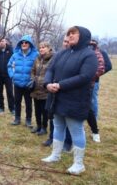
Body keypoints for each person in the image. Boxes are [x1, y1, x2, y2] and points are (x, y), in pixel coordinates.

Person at [41, 26, 98, 175]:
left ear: (84, 36)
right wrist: (47, 84)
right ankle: (55, 155)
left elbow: (85, 77)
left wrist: (60, 85)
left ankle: (79, 164)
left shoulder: (89, 55)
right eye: (69, 33)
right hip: (57, 97)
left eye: (74, 33)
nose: (70, 35)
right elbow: (50, 70)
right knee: (58, 126)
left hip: (76, 100)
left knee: (76, 130)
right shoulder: (62, 53)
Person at [43, 36, 69, 147]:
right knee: (52, 116)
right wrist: (48, 83)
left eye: (68, 41)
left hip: (68, 91)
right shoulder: (58, 55)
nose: (66, 43)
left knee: (68, 118)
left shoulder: (80, 56)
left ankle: (68, 142)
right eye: (64, 41)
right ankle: (51, 138)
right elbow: (50, 70)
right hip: (54, 91)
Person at [7, 35, 38, 127]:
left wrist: (34, 79)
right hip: (17, 83)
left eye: (26, 42)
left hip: (28, 84)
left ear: (30, 44)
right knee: (17, 101)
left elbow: (39, 67)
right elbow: (9, 66)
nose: (24, 44)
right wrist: (12, 76)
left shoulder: (35, 55)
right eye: (22, 42)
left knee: (28, 103)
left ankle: (28, 120)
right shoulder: (15, 55)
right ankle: (17, 118)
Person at [30, 41, 53, 135]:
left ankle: (44, 127)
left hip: (45, 90)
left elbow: (52, 73)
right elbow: (32, 70)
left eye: (43, 47)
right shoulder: (37, 59)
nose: (41, 49)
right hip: (35, 89)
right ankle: (38, 126)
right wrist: (33, 79)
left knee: (45, 110)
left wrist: (45, 82)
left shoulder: (52, 59)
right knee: (37, 110)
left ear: (48, 48)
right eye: (40, 47)